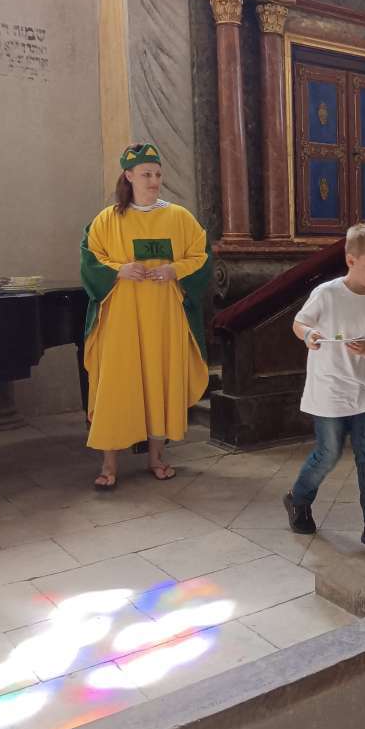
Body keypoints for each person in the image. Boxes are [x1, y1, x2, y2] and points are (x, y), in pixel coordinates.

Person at [81, 142, 212, 489]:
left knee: (159, 382)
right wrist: (119, 270)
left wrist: (174, 270)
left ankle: (157, 457)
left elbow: (201, 255)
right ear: (128, 176)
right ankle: (109, 463)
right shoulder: (108, 219)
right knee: (116, 384)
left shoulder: (179, 217)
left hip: (163, 318)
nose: (154, 181)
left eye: (157, 174)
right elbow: (90, 259)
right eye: (146, 174)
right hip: (121, 319)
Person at [284, 223, 365, 551]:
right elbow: (299, 323)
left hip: (364, 390)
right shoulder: (327, 293)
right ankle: (298, 499)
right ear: (351, 260)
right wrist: (309, 335)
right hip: (328, 388)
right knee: (328, 453)